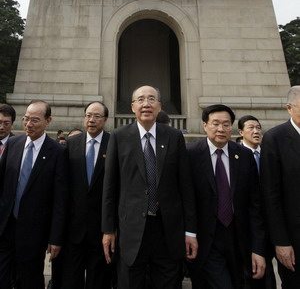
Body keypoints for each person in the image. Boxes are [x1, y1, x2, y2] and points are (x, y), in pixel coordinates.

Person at [102, 85, 198, 289]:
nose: (146, 104)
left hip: (167, 231)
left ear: (160, 106)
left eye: (151, 99)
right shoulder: (119, 137)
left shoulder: (173, 136)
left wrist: (190, 232)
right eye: (141, 99)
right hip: (131, 231)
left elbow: (185, 187)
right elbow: (110, 187)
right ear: (132, 106)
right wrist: (108, 230)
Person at [187, 104, 266, 289]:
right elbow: (186, 199)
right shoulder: (190, 154)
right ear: (205, 125)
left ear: (232, 127)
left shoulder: (244, 156)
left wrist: (258, 249)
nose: (221, 129)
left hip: (238, 238)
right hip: (207, 238)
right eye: (215, 123)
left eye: (226, 124)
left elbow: (254, 205)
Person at [0, 100, 68, 289]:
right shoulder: (13, 143)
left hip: (34, 232)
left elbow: (60, 200)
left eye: (35, 120)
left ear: (48, 120)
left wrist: (55, 238)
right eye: (26, 119)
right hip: (5, 226)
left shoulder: (57, 152)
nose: (28, 124)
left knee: (29, 280)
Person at [62, 101, 112, 289]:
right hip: (73, 229)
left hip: (101, 230)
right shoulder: (71, 144)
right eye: (88, 115)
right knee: (71, 280)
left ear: (105, 120)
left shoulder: (114, 143)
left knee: (97, 281)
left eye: (97, 116)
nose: (91, 120)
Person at [260, 85, 300, 288]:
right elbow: (271, 195)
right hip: (293, 239)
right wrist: (281, 241)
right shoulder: (274, 138)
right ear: (289, 108)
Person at [238, 115, 276, 289]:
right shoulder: (236, 156)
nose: (256, 131)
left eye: (258, 127)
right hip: (248, 224)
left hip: (271, 222)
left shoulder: (270, 154)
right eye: (251, 127)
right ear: (240, 132)